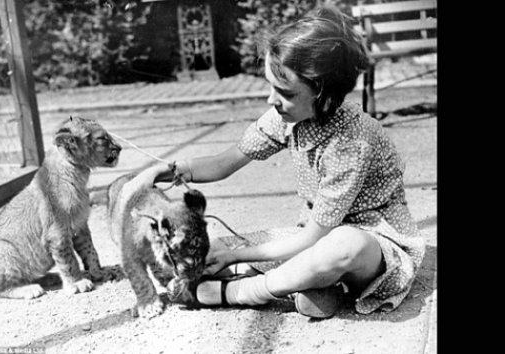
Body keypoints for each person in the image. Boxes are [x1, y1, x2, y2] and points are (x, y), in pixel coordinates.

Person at [142, 4, 425, 318]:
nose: (271, 99)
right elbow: (227, 160)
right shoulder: (289, 115)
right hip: (314, 237)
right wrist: (175, 171)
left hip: (372, 247)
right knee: (210, 250)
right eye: (270, 87)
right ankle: (315, 286)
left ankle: (242, 291)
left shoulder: (352, 140)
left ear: (324, 94)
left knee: (344, 245)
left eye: (284, 91)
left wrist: (239, 258)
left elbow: (317, 237)